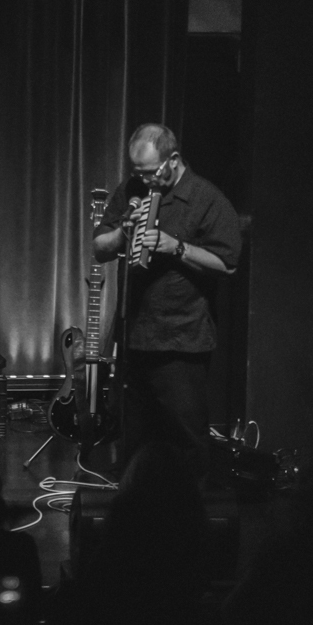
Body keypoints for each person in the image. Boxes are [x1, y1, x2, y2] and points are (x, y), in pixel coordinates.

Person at [94, 124, 243, 482]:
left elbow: (228, 263)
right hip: (134, 338)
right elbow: (99, 248)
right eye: (137, 173)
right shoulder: (133, 189)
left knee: (185, 439)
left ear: (173, 160)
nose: (143, 180)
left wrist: (175, 246)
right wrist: (123, 231)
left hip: (181, 340)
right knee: (133, 440)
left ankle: (187, 521)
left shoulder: (206, 198)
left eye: (150, 172)